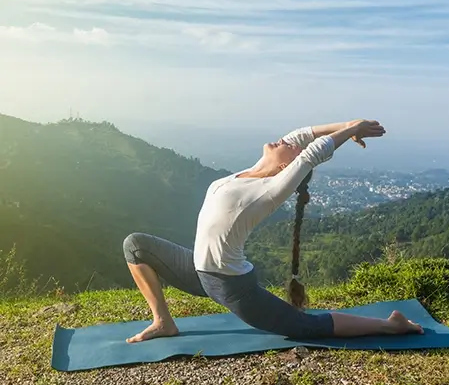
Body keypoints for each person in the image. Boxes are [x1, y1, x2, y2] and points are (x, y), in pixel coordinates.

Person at [123, 119, 424, 343]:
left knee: (307, 327)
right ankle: (163, 321)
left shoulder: (269, 190)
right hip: (199, 272)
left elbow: (311, 152)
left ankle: (390, 325)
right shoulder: (249, 173)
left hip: (232, 286)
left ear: (286, 169)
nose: (284, 141)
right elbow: (303, 136)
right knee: (135, 245)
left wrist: (350, 130)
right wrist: (347, 123)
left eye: (289, 148)